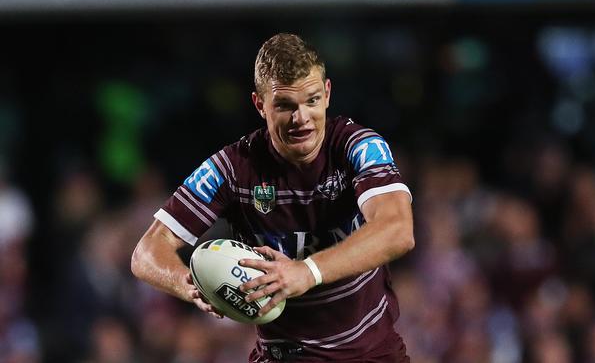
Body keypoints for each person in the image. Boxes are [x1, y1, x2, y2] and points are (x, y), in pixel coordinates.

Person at [131, 33, 415, 362]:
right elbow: (146, 252)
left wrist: (306, 271)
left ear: (327, 94)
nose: (301, 118)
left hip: (371, 354)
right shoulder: (233, 169)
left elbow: (398, 230)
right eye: (285, 106)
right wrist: (191, 284)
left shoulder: (357, 146)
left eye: (311, 100)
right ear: (260, 105)